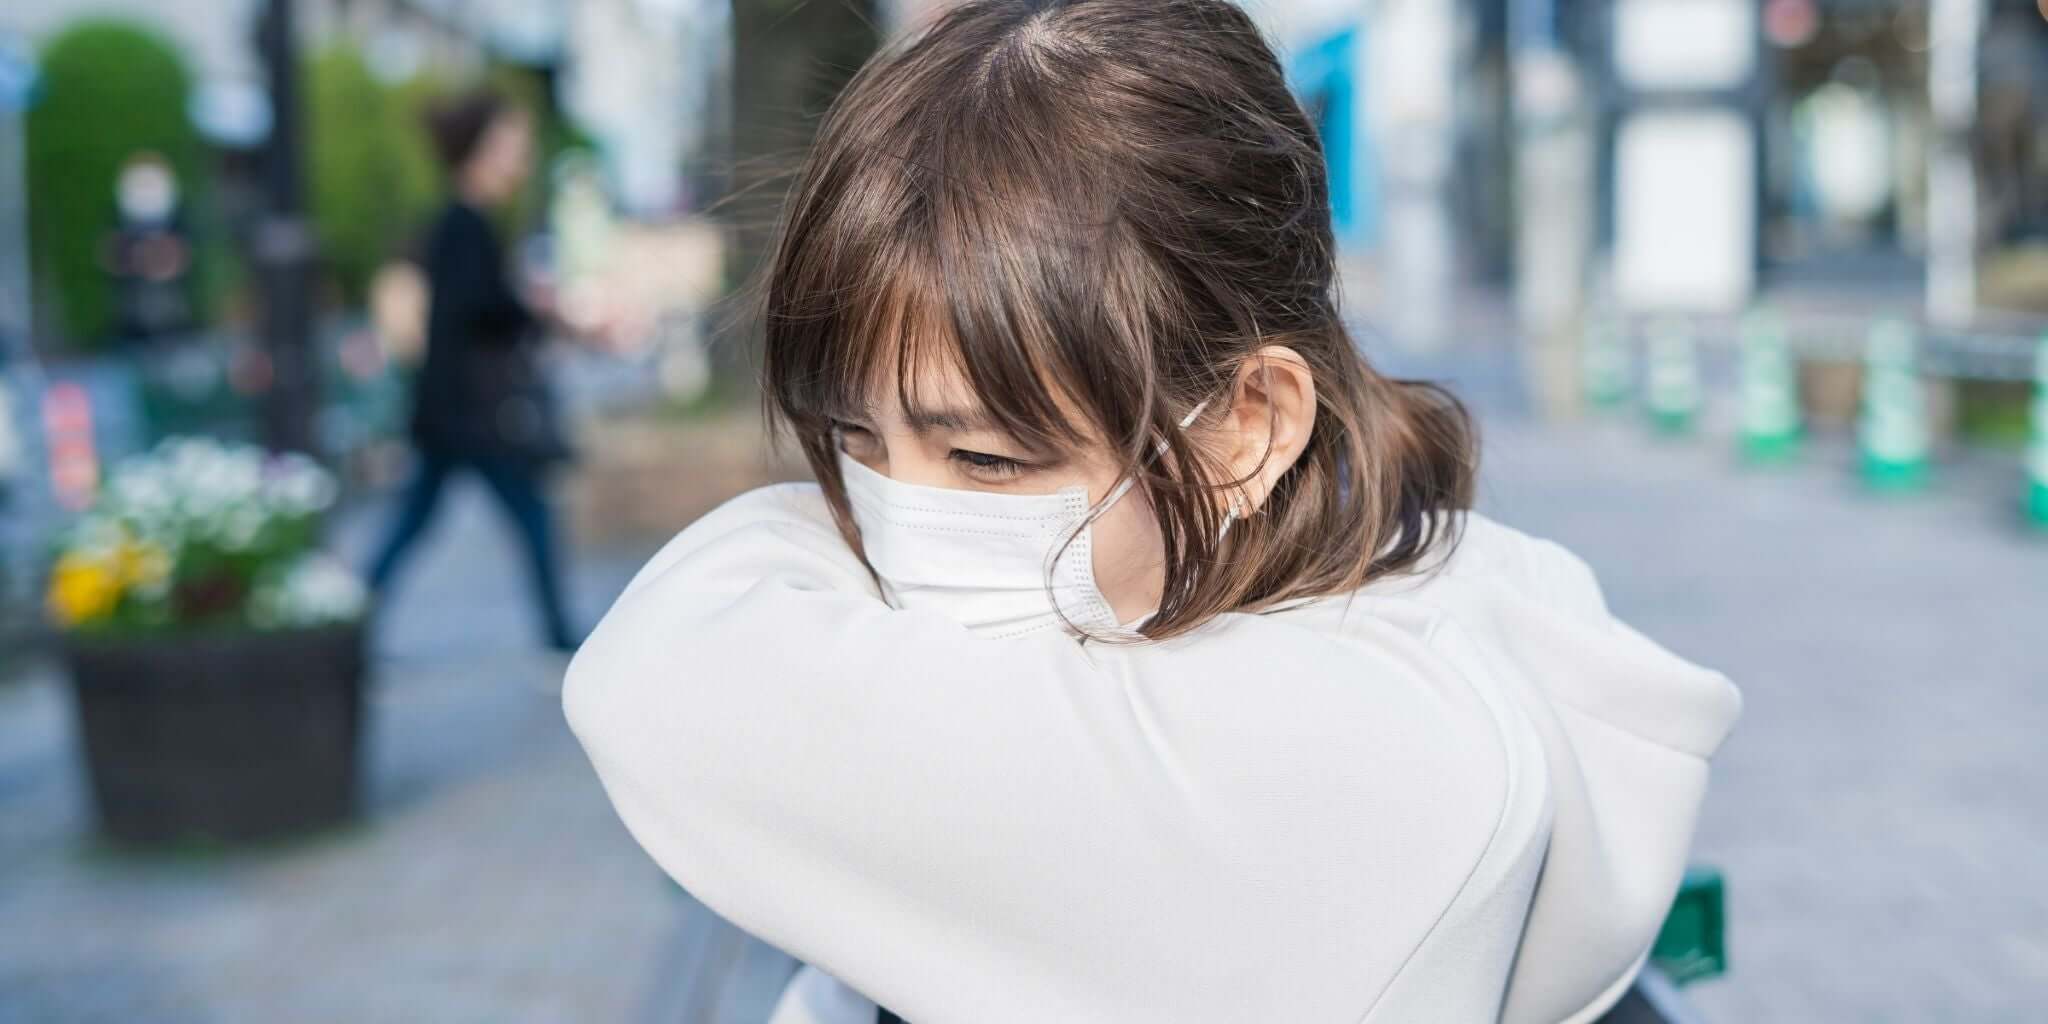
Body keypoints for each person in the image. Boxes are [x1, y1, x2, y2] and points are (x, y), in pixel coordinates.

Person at [565, 3, 1742, 1022]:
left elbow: (657, 673)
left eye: (984, 458)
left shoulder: (1347, 769)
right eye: (851, 441)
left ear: (1247, 424)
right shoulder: (1413, 606)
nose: (893, 523)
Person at [367, 90, 580, 652]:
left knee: (416, 523)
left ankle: (350, 619)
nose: (522, 155)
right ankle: (560, 638)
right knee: (528, 518)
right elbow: (474, 313)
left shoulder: (467, 221)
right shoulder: (465, 224)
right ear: (482, 150)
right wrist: (534, 311)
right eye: (512, 142)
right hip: (472, 414)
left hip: (455, 413)